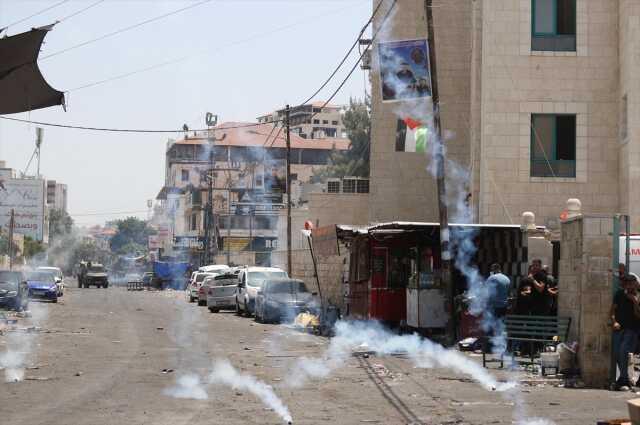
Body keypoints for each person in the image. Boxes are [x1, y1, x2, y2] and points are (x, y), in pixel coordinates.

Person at [610, 273, 640, 391]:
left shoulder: (638, 296)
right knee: (617, 352)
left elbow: (638, 315)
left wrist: (635, 301)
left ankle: (623, 378)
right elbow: (612, 311)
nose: (630, 287)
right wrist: (614, 322)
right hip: (619, 328)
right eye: (627, 285)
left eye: (632, 285)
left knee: (623, 351)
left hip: (632, 329)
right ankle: (624, 378)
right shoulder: (619, 294)